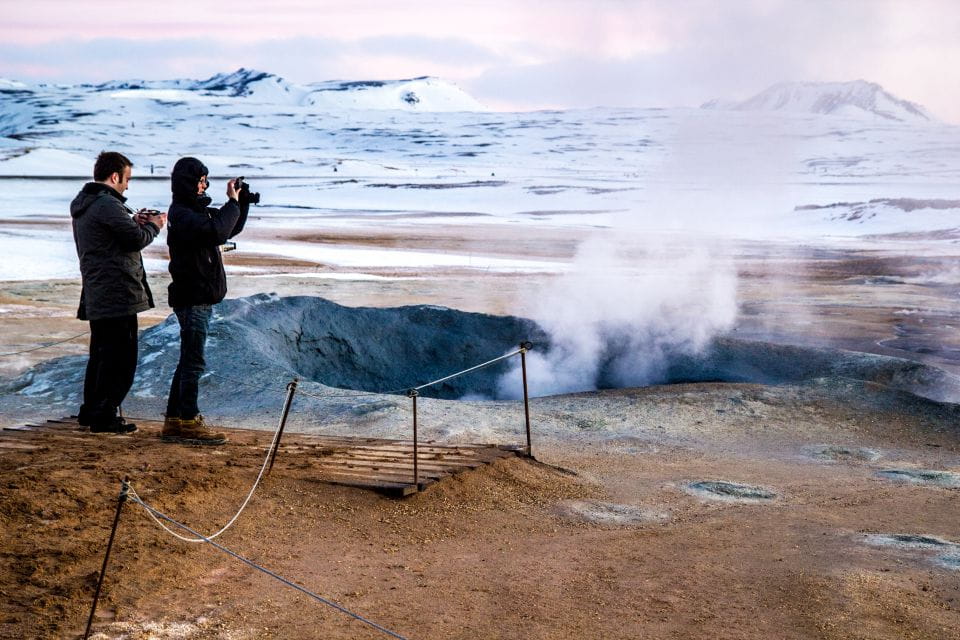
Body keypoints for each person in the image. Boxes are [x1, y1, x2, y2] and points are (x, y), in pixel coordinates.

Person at [71, 151, 166, 433]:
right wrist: (154, 225)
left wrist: (134, 221)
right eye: (127, 179)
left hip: (100, 291)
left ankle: (92, 411)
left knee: (101, 355)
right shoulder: (106, 205)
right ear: (115, 176)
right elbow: (135, 239)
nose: (127, 186)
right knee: (120, 359)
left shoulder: (89, 204)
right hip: (117, 293)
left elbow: (117, 235)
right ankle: (103, 415)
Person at [161, 157, 248, 444]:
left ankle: (174, 421)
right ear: (188, 182)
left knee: (188, 360)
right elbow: (217, 231)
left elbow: (228, 228)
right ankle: (188, 421)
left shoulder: (192, 212)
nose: (203, 186)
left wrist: (240, 203)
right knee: (194, 362)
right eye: (200, 181)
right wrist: (232, 204)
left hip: (197, 296)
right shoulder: (184, 214)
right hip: (193, 296)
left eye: (205, 181)